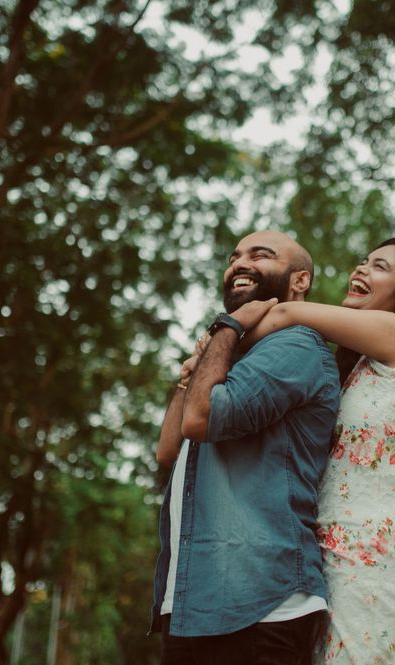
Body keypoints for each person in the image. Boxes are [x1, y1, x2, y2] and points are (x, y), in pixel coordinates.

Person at [235, 237, 395, 665]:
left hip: (377, 558)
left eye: (380, 267)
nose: (361, 270)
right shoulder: (352, 372)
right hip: (325, 559)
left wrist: (221, 338)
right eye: (362, 262)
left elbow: (288, 312)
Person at [150, 230, 341, 665]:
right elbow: (168, 450)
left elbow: (198, 422)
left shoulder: (296, 346)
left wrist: (226, 326)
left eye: (262, 255)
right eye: (234, 256)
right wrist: (195, 370)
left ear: (299, 281)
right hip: (192, 604)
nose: (240, 263)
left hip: (260, 606)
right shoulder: (231, 361)